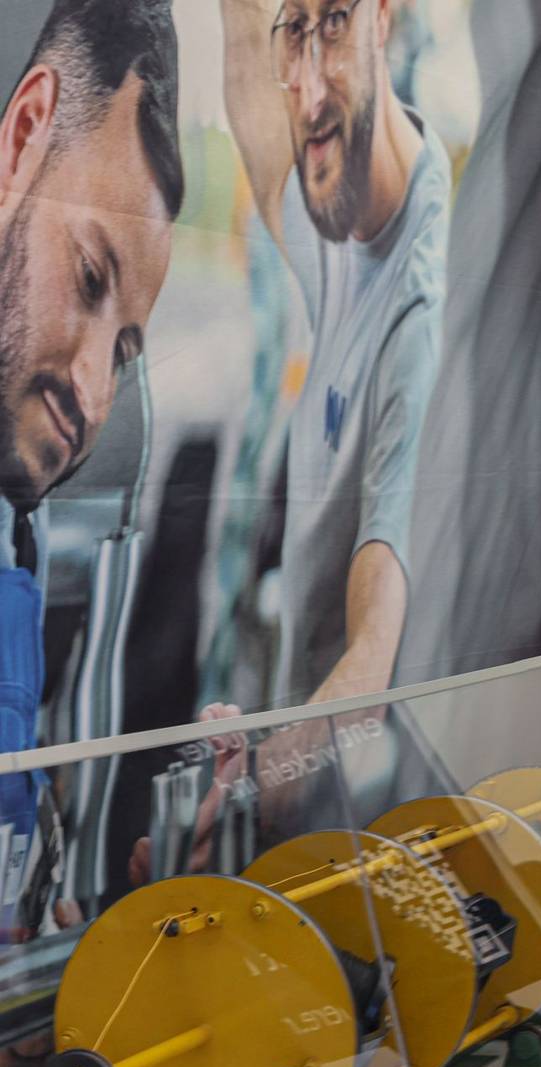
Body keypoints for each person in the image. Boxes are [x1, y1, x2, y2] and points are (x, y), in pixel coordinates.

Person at [0, 0, 182, 930]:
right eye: (89, 278)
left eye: (125, 351)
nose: (96, 394)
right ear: (22, 135)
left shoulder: (17, 539)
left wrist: (45, 925)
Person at [218, 0, 447, 709]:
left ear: (382, 18)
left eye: (336, 22)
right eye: (294, 30)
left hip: (359, 771)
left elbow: (370, 659)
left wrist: (271, 763)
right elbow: (254, 96)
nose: (309, 89)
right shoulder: (341, 219)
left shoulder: (421, 313)